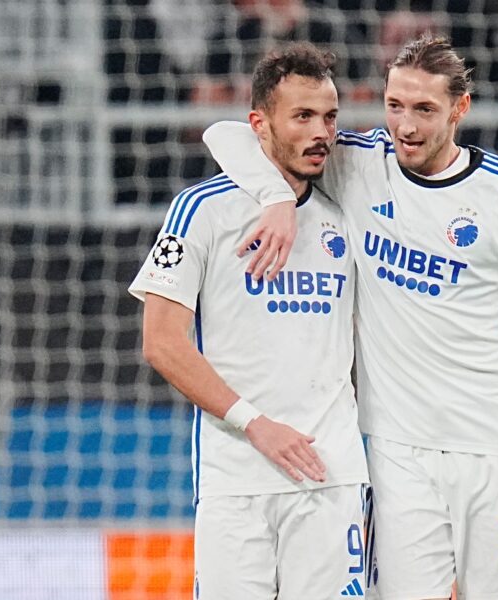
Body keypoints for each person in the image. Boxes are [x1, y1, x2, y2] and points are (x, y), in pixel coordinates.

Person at [203, 34, 498, 600]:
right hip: (396, 455)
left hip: (492, 446)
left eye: (424, 109)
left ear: (459, 108)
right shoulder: (359, 164)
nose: (406, 126)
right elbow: (226, 135)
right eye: (394, 106)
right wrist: (275, 198)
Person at [129, 43, 369, 599]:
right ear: (260, 124)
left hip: (330, 475)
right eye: (302, 116)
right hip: (236, 477)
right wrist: (255, 424)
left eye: (329, 117)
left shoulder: (347, 213)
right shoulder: (202, 210)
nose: (321, 133)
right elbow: (161, 342)